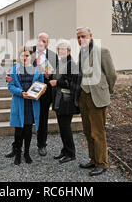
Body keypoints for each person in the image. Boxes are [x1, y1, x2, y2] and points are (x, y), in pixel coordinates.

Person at [6, 32, 58, 157]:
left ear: (48, 43)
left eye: (44, 41)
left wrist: (50, 76)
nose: (41, 43)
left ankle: (41, 145)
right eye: (40, 40)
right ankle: (16, 147)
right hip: (24, 92)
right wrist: (8, 77)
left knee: (42, 119)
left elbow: (56, 73)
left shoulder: (52, 55)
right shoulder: (29, 51)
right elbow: (17, 67)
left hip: (43, 93)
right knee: (21, 120)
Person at [76, 27, 117, 177]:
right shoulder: (81, 52)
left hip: (97, 97)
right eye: (78, 37)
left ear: (91, 36)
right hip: (84, 97)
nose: (81, 39)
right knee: (87, 131)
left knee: (98, 132)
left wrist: (107, 91)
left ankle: (102, 163)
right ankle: (93, 160)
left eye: (83, 36)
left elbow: (112, 74)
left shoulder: (102, 51)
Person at [7, 46, 44, 165]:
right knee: (18, 131)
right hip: (19, 103)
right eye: (22, 55)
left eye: (27, 55)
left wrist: (41, 91)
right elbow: (10, 86)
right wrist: (21, 93)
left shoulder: (37, 70)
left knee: (28, 130)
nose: (24, 57)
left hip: (31, 104)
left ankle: (26, 153)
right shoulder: (14, 69)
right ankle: (17, 154)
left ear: (31, 56)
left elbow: (41, 85)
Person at [49, 40, 80, 164]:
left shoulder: (71, 64)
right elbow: (58, 78)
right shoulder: (61, 63)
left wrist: (57, 82)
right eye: (58, 49)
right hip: (59, 99)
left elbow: (70, 83)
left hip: (67, 101)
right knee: (62, 127)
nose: (60, 51)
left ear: (68, 51)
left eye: (63, 49)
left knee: (66, 127)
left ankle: (71, 153)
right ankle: (65, 150)